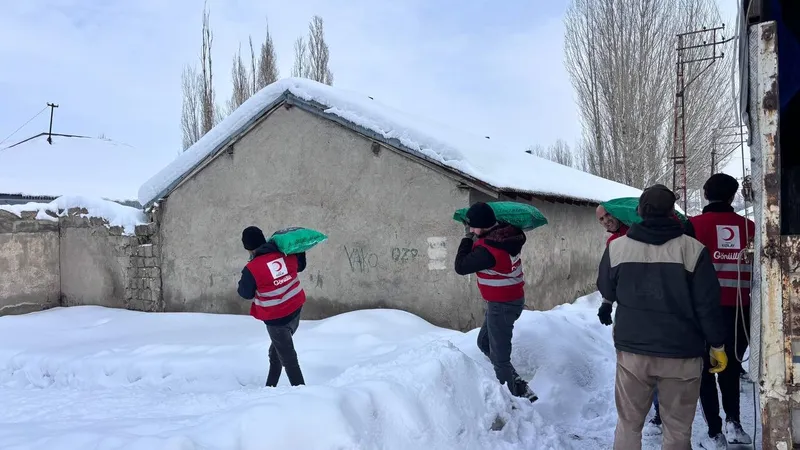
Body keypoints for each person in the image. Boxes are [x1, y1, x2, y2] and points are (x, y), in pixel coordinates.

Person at [596, 184, 728, 450]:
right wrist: (717, 345)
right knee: (677, 430)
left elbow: (607, 289)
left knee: (628, 424)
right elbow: (708, 305)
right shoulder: (693, 250)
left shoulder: (617, 248)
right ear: (671, 213)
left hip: (633, 352)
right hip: (682, 353)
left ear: (639, 211)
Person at [689, 173, 756, 448]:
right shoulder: (750, 228)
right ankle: (734, 424)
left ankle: (715, 434)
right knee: (731, 367)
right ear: (732, 197)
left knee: (705, 371)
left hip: (702, 313)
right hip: (740, 311)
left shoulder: (692, 226)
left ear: (706, 195)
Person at [454, 202, 538, 402]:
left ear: (484, 225)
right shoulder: (506, 235)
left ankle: (515, 401)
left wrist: (466, 238)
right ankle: (517, 384)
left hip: (502, 305)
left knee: (500, 359)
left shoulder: (488, 250)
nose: (472, 230)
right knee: (484, 342)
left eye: (473, 227)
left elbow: (461, 266)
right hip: (509, 301)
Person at [237, 226, 308, 387]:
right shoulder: (284, 254)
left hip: (277, 319)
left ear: (248, 248)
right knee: (277, 351)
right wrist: (300, 248)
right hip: (296, 309)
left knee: (288, 359)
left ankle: (302, 392)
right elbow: (300, 266)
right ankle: (270, 388)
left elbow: (245, 293)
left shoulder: (252, 268)